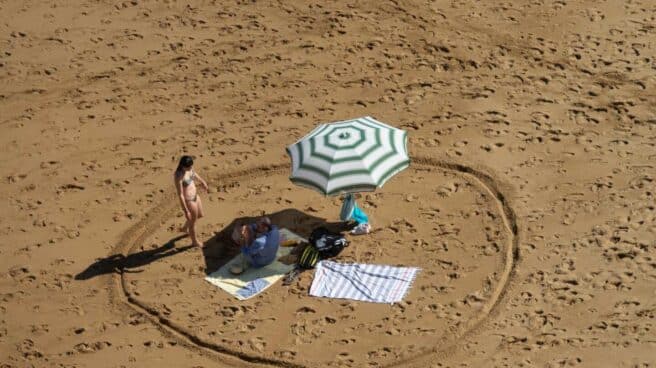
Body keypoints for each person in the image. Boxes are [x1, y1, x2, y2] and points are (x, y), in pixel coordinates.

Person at [174, 155, 209, 247]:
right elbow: (180, 195)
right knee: (193, 222)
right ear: (182, 166)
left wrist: (202, 181)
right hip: (189, 200)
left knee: (200, 215)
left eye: (191, 166)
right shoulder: (179, 176)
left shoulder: (190, 169)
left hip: (195, 196)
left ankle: (185, 228)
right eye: (188, 167)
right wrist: (186, 211)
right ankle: (194, 242)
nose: (190, 168)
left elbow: (194, 174)